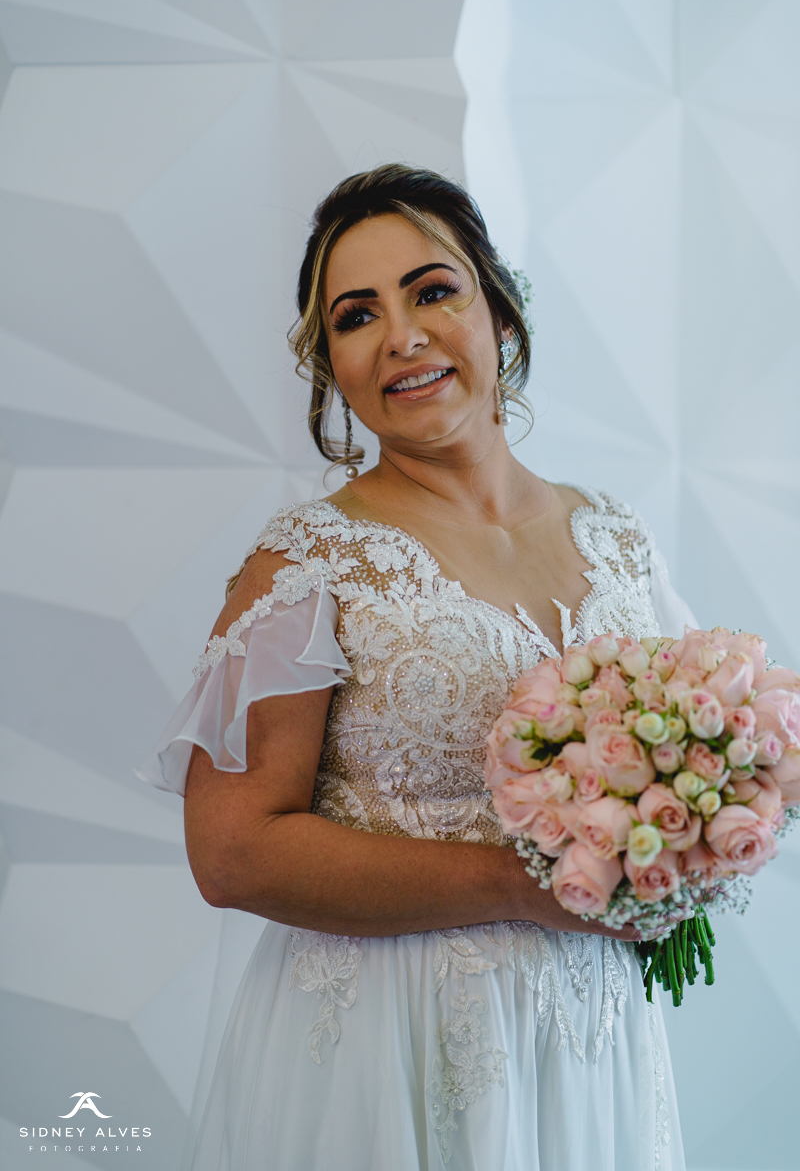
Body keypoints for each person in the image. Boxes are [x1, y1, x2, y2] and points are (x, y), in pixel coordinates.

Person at [136, 164, 693, 1170]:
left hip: (591, 1035)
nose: (401, 336)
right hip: (388, 1047)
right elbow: (231, 852)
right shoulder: (307, 565)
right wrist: (521, 886)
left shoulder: (617, 536)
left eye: (432, 291)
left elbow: (707, 748)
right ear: (334, 371)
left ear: (500, 315)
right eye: (356, 317)